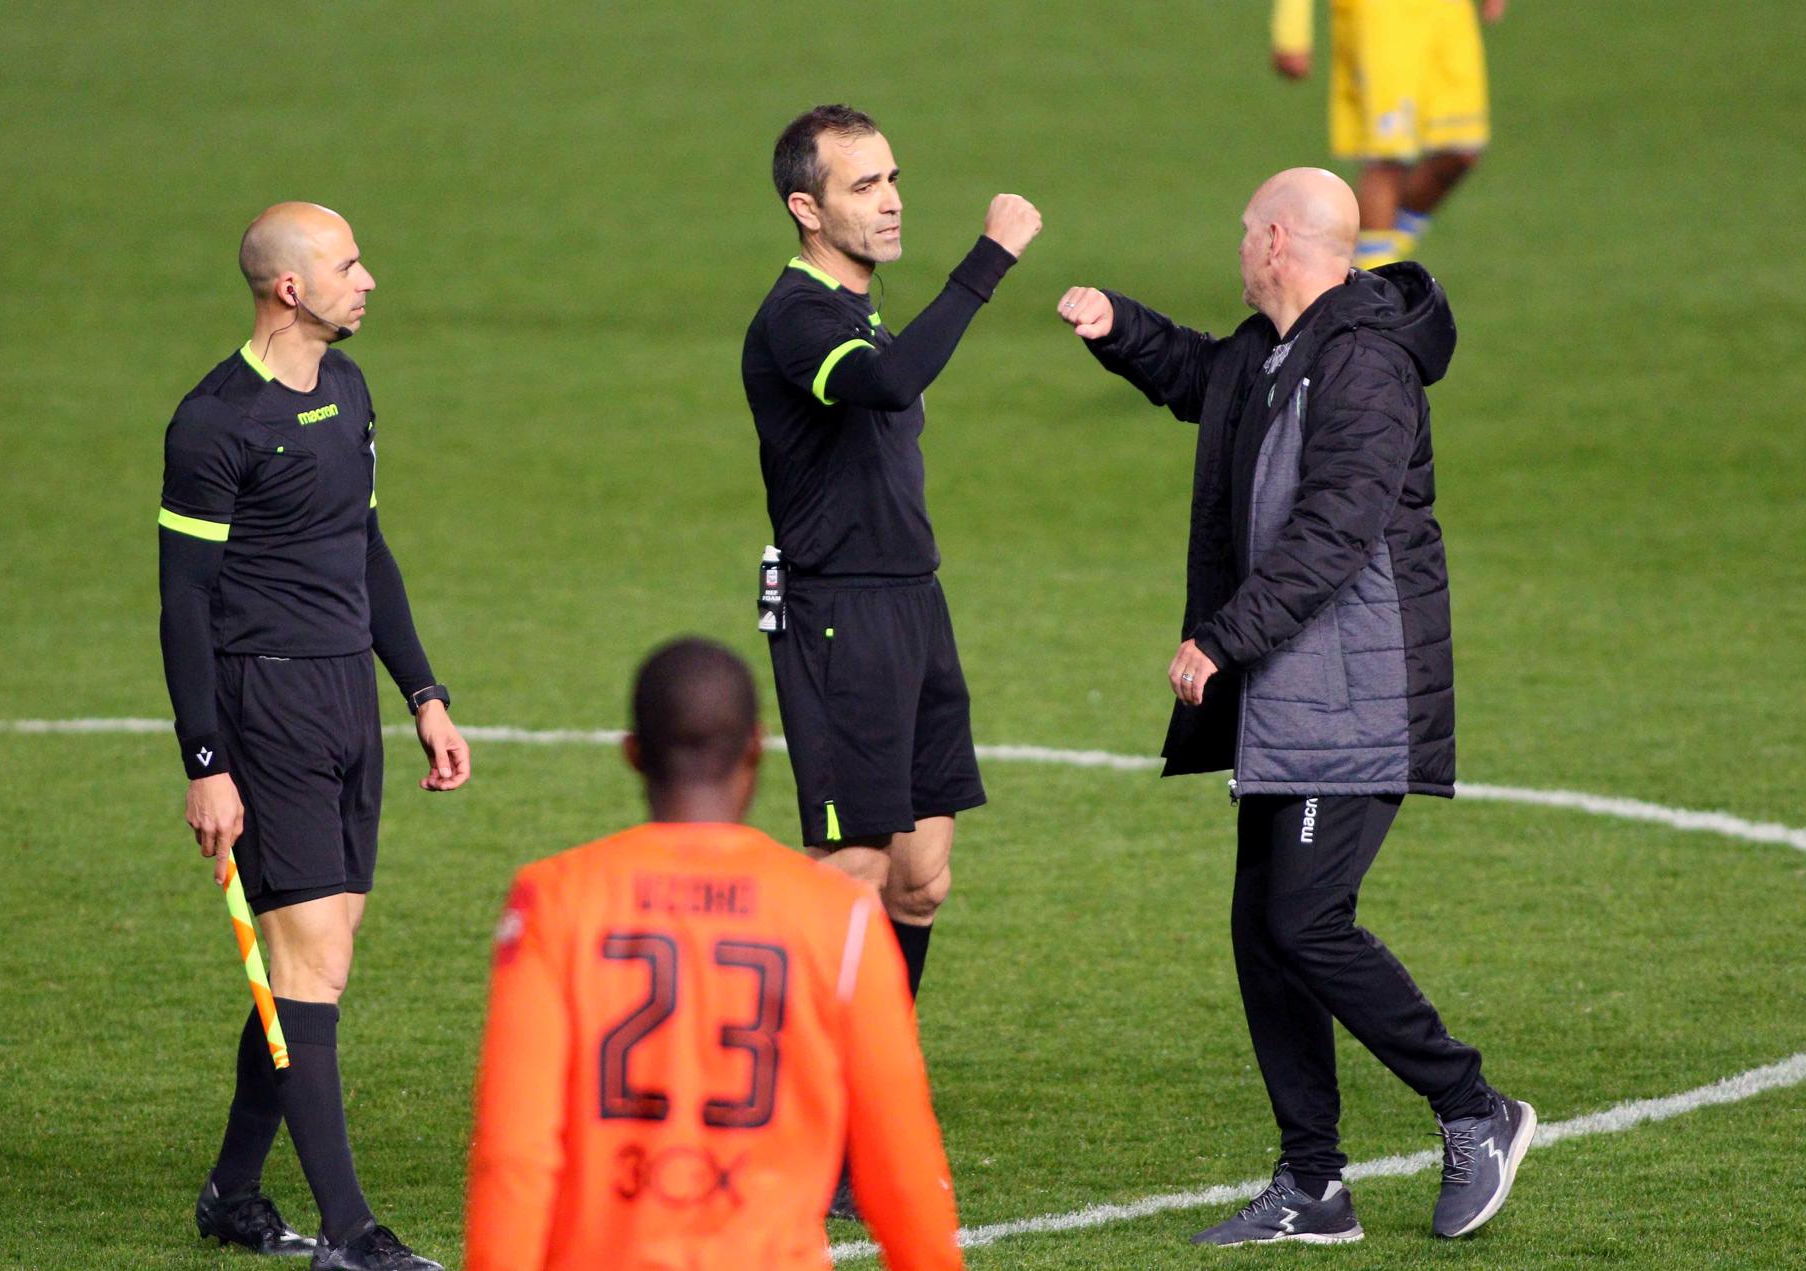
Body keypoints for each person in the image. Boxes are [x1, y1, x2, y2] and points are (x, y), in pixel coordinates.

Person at [1056, 167, 1532, 1244]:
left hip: (1357, 693)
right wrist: (1119, 327)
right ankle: (1313, 1183)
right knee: (1265, 935)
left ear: (1277, 241)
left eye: (1243, 230)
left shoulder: (1363, 361)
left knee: (1303, 921)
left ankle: (1474, 1106)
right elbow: (1202, 377)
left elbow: (1336, 527)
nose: (1235, 246)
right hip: (1292, 698)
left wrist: (1222, 638)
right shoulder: (1273, 349)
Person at [159, 201, 467, 1270]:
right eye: (348, 264)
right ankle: (351, 1231)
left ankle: (233, 1191)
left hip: (348, 701)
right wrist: (206, 762)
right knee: (313, 962)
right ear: (289, 287)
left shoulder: (349, 387)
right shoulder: (215, 424)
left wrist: (422, 691)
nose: (368, 279)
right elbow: (183, 604)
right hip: (266, 705)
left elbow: (364, 544)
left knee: (313, 967)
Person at [465, 638, 962, 1271]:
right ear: (755, 747)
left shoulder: (554, 900)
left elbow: (514, 1151)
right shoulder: (837, 914)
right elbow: (900, 1161)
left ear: (633, 752)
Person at [740, 102, 1040, 1027]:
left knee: (918, 880)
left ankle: (878, 1076)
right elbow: (890, 382)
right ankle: (784, 1078)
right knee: (852, 867)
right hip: (839, 614)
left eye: (893, 179)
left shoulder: (859, 310)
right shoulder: (796, 316)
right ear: (806, 208)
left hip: (913, 602)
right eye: (863, 185)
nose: (891, 200)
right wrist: (988, 259)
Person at [1269, 0, 1505, 268]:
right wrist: (1291, 31)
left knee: (1462, 151)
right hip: (1381, 19)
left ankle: (1368, 259)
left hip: (1448, 17)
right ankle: (1376, 272)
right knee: (1388, 158)